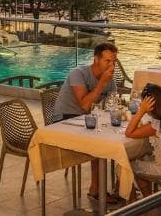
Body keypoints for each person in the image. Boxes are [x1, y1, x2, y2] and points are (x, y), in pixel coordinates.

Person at [50, 42, 121, 204]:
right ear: (96, 59)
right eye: (107, 61)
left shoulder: (110, 80)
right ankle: (96, 189)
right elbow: (84, 105)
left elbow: (112, 105)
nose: (112, 65)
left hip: (88, 119)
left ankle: (121, 186)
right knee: (98, 142)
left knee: (118, 137)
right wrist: (102, 83)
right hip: (65, 120)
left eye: (114, 61)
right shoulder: (79, 73)